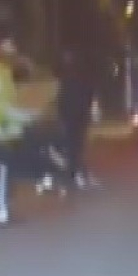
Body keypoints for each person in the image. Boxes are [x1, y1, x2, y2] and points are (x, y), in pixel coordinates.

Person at [0, 38, 36, 225]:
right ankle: (1, 211)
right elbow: (3, 107)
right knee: (3, 173)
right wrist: (25, 117)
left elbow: (10, 104)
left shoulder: (5, 75)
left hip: (8, 133)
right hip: (1, 133)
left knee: (6, 174)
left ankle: (3, 207)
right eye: (10, 55)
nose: (13, 58)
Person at [57, 48, 98, 190]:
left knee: (72, 146)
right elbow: (89, 95)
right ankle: (76, 172)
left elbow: (62, 99)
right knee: (77, 146)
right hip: (79, 115)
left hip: (72, 116)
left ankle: (73, 173)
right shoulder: (83, 76)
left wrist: (62, 115)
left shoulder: (67, 77)